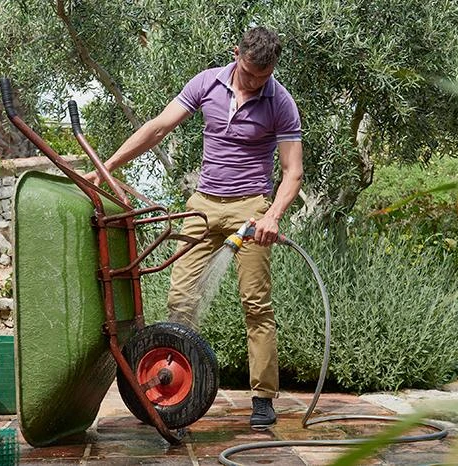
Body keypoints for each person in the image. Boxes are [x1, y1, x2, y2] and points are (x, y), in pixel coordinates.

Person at [86, 26, 303, 428]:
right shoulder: (206, 82)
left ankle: (263, 398)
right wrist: (108, 166)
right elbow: (158, 127)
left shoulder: (280, 102)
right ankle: (175, 390)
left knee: (256, 305)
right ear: (236, 54)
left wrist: (272, 216)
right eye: (249, 73)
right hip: (202, 204)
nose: (254, 82)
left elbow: (293, 171)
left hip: (251, 209)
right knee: (180, 297)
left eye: (263, 76)